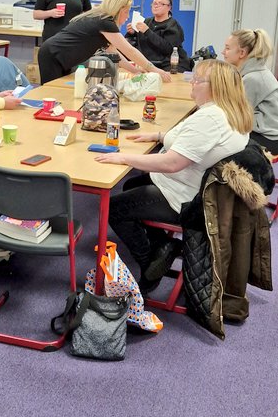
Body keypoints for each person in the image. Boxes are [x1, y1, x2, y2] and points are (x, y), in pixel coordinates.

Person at [96, 59, 252, 291]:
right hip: (203, 190)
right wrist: (159, 136)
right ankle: (162, 244)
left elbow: (171, 163)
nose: (192, 83)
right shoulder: (229, 112)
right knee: (131, 185)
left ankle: (150, 262)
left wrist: (125, 158)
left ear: (215, 88)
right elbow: (194, 141)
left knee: (112, 207)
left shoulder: (210, 119)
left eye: (198, 80)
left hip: (186, 197)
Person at [37, 0, 172, 85]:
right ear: (118, 10)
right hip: (53, 54)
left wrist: (135, 71)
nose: (127, 17)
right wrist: (154, 69)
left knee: (60, 94)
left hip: (59, 55)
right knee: (52, 93)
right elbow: (130, 50)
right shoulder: (105, 22)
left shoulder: (101, 18)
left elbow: (114, 52)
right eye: (126, 12)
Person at [222, 28, 278, 154]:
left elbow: (235, 114)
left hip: (269, 138)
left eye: (227, 48)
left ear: (242, 53)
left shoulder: (253, 78)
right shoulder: (252, 73)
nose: (223, 52)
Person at [125, 0, 190, 71]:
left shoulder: (173, 26)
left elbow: (168, 49)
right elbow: (134, 42)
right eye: (154, 3)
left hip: (167, 64)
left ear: (169, 7)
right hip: (146, 63)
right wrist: (132, 33)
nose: (156, 6)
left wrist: (147, 31)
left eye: (161, 4)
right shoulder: (146, 22)